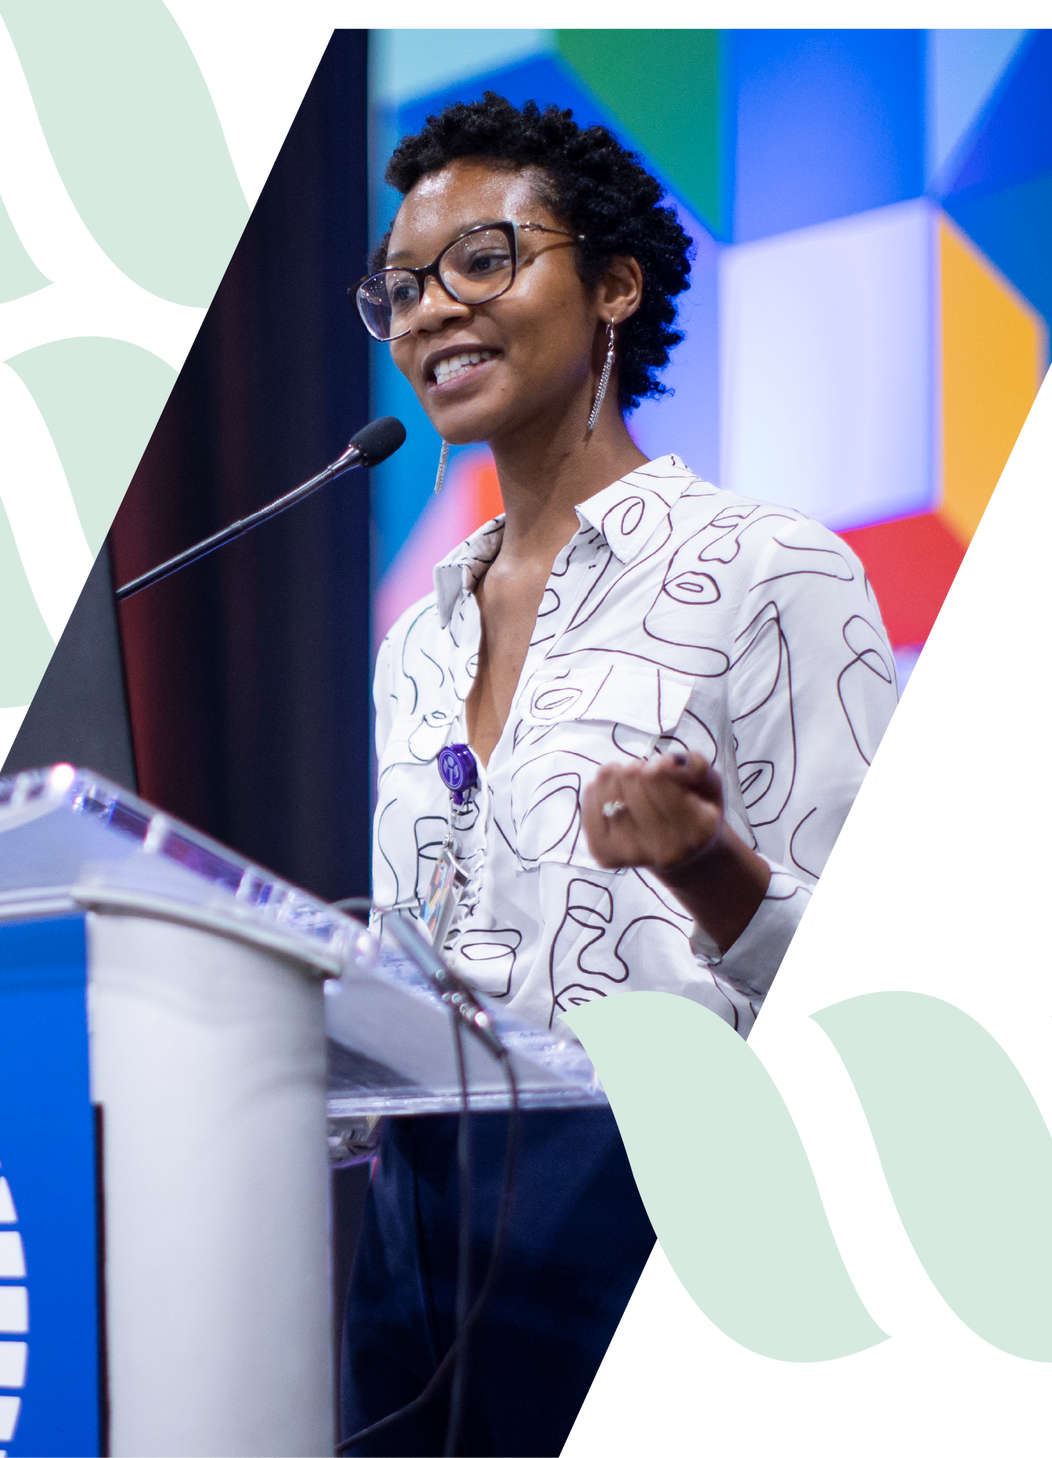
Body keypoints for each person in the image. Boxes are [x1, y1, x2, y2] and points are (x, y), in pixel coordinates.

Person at [342, 94, 898, 1456]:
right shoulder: (416, 641)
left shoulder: (773, 567)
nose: (429, 312)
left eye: (483, 260)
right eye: (403, 287)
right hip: (414, 1215)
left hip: (656, 1202)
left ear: (615, 286)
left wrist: (706, 859)